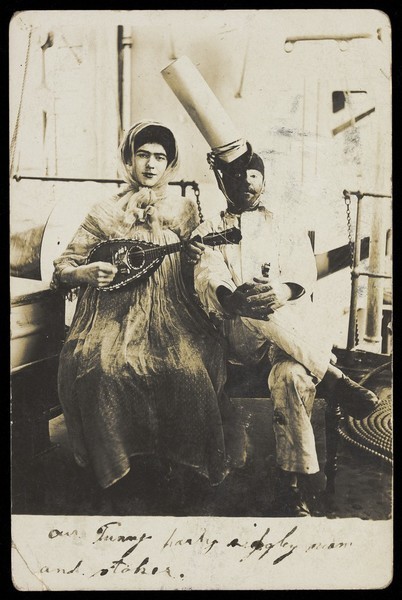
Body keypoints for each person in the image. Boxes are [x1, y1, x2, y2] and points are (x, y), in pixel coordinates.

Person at [51, 120, 240, 505]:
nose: (151, 164)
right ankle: (115, 469)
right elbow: (63, 266)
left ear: (170, 164)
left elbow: (204, 267)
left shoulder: (185, 209)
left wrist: (194, 257)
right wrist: (84, 272)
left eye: (159, 157)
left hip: (173, 314)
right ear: (129, 159)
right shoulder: (105, 211)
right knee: (99, 369)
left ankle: (179, 463)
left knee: (186, 369)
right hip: (109, 317)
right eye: (143, 155)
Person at [191, 146, 380, 517]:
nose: (246, 182)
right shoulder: (209, 229)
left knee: (291, 378)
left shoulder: (282, 223)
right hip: (239, 339)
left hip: (290, 342)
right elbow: (207, 275)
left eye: (254, 175)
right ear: (223, 181)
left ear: (263, 180)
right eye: (238, 175)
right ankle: (334, 377)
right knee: (248, 305)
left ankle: (292, 486)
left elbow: (303, 272)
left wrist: (279, 291)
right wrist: (232, 297)